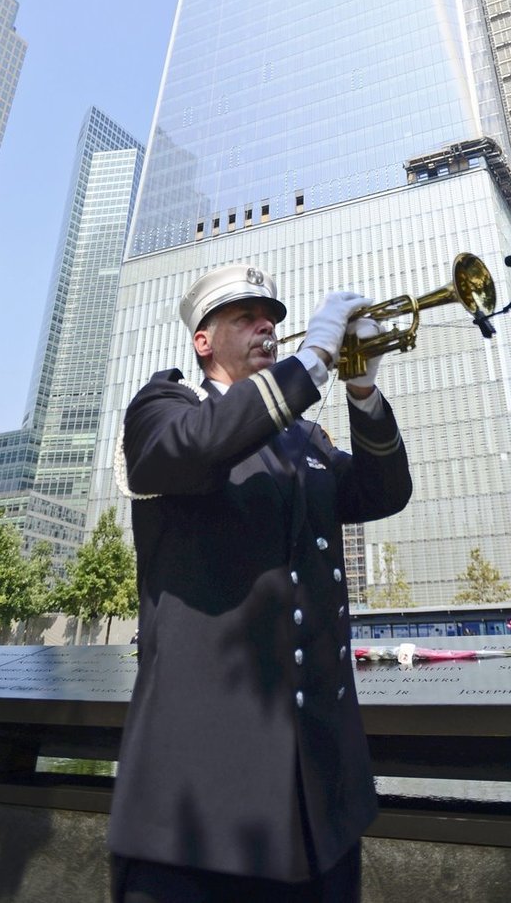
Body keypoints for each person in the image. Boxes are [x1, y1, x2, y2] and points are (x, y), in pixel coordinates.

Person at [108, 264, 413, 902]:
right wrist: (308, 366)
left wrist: (363, 395)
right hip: (201, 800)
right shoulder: (163, 409)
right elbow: (204, 443)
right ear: (202, 341)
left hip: (319, 795)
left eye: (269, 316)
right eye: (245, 317)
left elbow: (384, 492)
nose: (266, 326)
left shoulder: (303, 437)